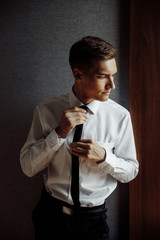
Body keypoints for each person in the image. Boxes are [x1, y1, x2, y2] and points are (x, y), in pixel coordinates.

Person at [20, 36, 139, 240]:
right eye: (103, 76)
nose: (112, 85)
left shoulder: (120, 117)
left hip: (93, 222)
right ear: (78, 74)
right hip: (50, 217)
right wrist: (59, 133)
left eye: (114, 75)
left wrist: (104, 157)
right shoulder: (46, 110)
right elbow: (28, 167)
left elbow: (131, 171)